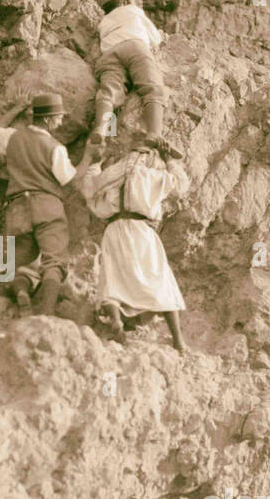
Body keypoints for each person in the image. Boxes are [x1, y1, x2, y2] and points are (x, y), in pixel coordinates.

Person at [79, 135, 189, 352]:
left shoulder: (114, 172)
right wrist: (170, 160)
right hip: (142, 230)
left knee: (112, 278)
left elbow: (88, 189)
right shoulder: (154, 174)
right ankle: (178, 340)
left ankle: (116, 319)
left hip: (114, 229)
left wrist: (95, 164)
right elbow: (182, 185)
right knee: (160, 278)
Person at [0, 93, 98, 316]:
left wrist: (18, 107)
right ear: (48, 119)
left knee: (18, 265)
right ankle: (46, 313)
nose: (61, 121)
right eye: (59, 117)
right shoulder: (55, 147)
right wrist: (88, 156)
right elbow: (72, 181)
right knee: (55, 261)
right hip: (47, 206)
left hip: (17, 208)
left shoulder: (12, 137)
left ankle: (22, 293)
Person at [94, 0, 167, 139]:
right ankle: (154, 133)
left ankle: (102, 130)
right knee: (152, 87)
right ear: (122, 2)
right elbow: (155, 38)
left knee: (109, 92)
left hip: (109, 54)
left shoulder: (103, 23)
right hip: (134, 46)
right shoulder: (133, 10)